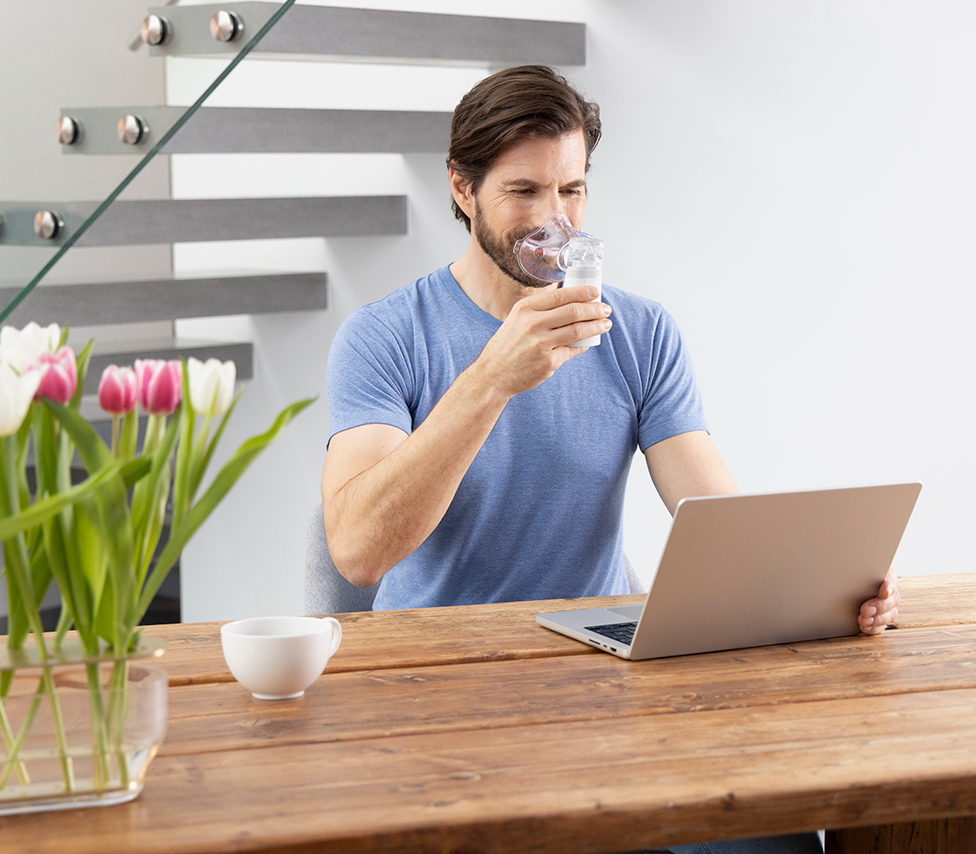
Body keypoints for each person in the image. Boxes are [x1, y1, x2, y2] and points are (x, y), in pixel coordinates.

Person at [321, 66, 897, 853]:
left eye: (573, 191)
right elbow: (357, 550)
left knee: (778, 832)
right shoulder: (385, 336)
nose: (553, 221)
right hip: (445, 694)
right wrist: (492, 378)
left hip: (602, 685)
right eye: (524, 192)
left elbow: (718, 523)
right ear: (462, 189)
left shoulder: (638, 331)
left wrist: (827, 591)